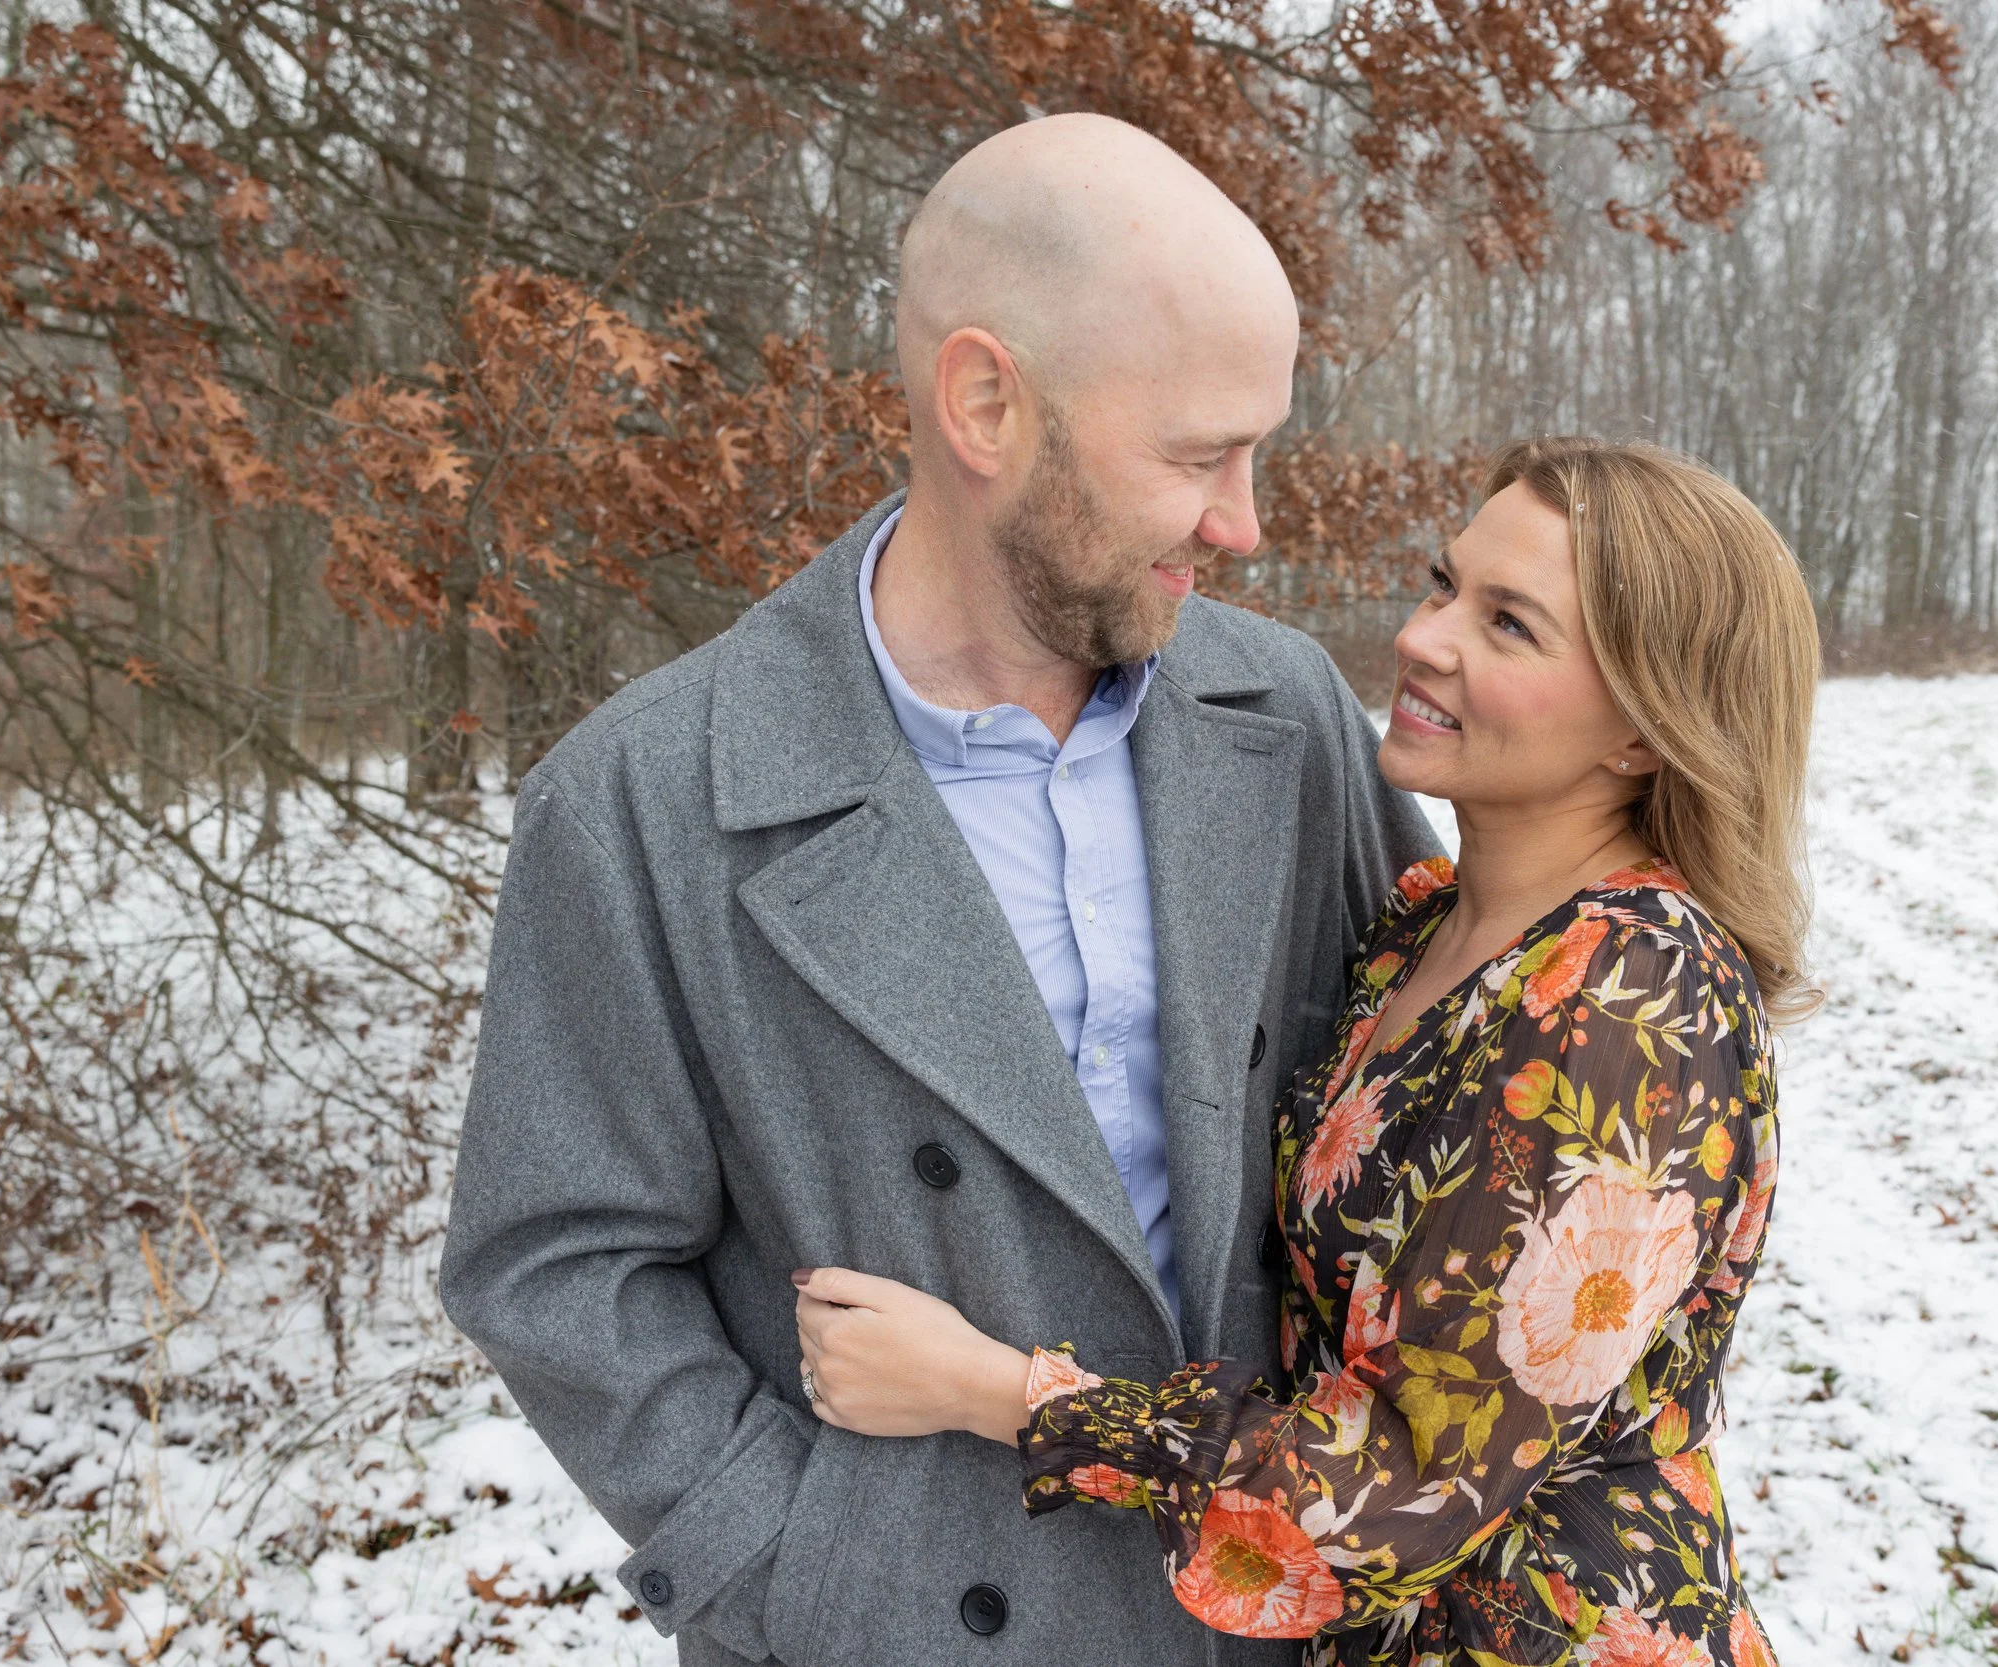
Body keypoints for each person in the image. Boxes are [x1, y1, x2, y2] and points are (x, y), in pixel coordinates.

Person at [437, 114, 1436, 1666]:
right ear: (986, 402)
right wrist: (808, 1563)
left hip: (1262, 1613)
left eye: (1257, 451)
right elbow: (555, 1264)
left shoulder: (1284, 718)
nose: (1244, 520)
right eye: (1196, 455)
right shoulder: (644, 798)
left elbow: (1436, 1106)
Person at [797, 437, 1821, 1667]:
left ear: (1644, 733)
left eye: (1509, 625)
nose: (1424, 638)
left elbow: (1389, 1498)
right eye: (1444, 585)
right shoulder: (1423, 926)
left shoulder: (1629, 1003)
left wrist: (993, 1390)